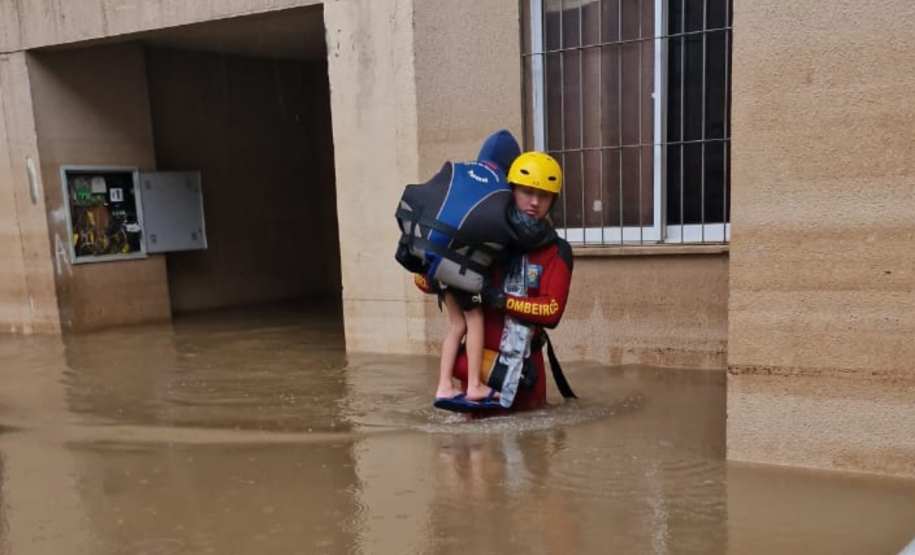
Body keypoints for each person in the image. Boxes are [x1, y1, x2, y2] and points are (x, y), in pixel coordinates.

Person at [417, 151, 574, 412]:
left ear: (553, 200)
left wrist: (498, 299)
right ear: (511, 191)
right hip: (478, 367)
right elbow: (422, 282)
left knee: (532, 434)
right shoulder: (482, 235)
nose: (535, 202)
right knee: (472, 436)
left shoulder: (557, 251)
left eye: (544, 195)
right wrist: (441, 278)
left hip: (526, 370)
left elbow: (551, 312)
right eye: (526, 192)